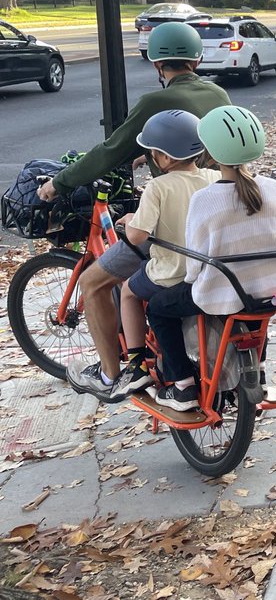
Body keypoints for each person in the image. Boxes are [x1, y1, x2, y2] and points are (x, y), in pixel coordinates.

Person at [38, 22, 228, 395]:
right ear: (198, 59)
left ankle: (112, 374)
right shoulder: (218, 93)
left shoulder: (157, 103)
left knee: (94, 282)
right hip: (216, 215)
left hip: (174, 226)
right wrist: (150, 154)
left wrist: (57, 183)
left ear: (158, 66)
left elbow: (109, 151)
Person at [145, 106, 276, 412]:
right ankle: (258, 368)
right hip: (268, 288)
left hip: (220, 292)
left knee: (159, 309)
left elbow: (195, 264)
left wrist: (187, 283)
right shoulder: (271, 187)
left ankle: (182, 386)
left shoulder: (206, 198)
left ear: (210, 152)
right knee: (255, 319)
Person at [65, 110, 217, 401]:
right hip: (207, 268)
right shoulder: (212, 177)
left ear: (165, 158)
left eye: (153, 154)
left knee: (129, 292)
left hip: (172, 271)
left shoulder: (159, 186)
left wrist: (133, 220)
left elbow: (137, 237)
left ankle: (134, 365)